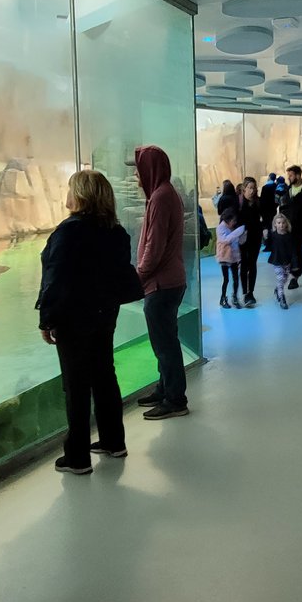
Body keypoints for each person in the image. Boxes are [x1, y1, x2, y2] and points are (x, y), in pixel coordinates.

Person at [35, 169, 134, 475]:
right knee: (104, 375)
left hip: (74, 318)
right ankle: (113, 441)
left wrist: (46, 319)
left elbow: (55, 279)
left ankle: (77, 457)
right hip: (105, 314)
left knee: (76, 386)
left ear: (80, 195)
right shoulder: (115, 231)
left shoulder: (69, 232)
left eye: (70, 188)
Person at [133, 145, 190, 420]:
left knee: (165, 344)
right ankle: (165, 388)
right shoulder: (165, 194)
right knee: (165, 341)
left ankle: (175, 399)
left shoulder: (160, 197)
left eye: (138, 170)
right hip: (169, 282)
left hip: (161, 284)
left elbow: (153, 249)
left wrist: (137, 278)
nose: (136, 177)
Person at [281, 165, 302, 288]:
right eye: (288, 175)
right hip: (287, 227)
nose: (289, 178)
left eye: (291, 175)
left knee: (296, 251)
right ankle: (291, 273)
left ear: (298, 175)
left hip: (300, 228)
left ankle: (295, 276)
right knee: (288, 252)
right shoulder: (288, 191)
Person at [236, 177, 264, 306]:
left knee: (252, 263)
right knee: (244, 264)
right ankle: (244, 291)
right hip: (242, 237)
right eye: (250, 188)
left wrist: (265, 229)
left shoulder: (258, 202)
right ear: (244, 188)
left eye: (254, 188)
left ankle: (250, 292)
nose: (252, 191)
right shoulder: (239, 203)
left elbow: (264, 217)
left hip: (255, 237)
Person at [215, 207, 246, 308]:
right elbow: (225, 240)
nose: (234, 222)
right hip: (224, 257)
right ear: (228, 219)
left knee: (236, 278)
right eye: (233, 220)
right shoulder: (220, 228)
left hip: (234, 257)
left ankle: (235, 297)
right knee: (226, 279)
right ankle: (223, 298)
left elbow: (240, 242)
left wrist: (243, 234)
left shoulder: (234, 228)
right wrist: (237, 232)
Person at [264, 212, 295, 309]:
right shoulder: (273, 235)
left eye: (283, 223)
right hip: (277, 261)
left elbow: (293, 249)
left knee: (285, 279)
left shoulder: (289, 236)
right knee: (280, 278)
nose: (281, 225)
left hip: (287, 261)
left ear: (286, 224)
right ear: (275, 224)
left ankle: (277, 290)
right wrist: (266, 237)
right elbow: (268, 246)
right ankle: (282, 298)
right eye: (278, 223)